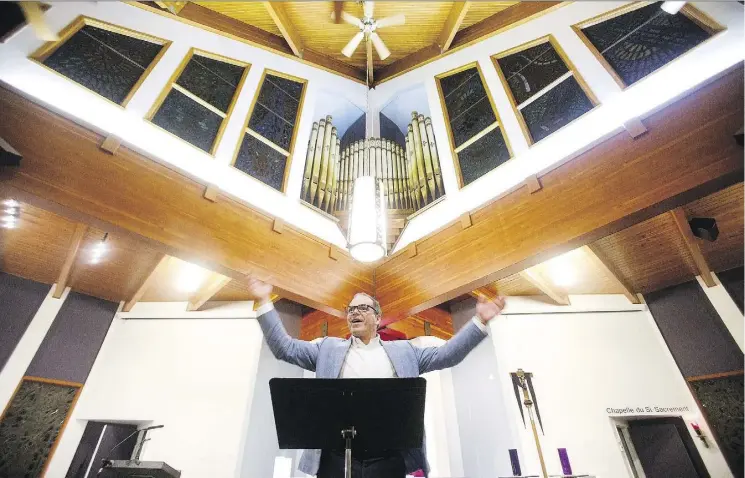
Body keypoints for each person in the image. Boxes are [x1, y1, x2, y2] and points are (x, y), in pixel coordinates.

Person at [247, 277, 505, 478]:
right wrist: (264, 301)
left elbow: (448, 355)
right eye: (350, 309)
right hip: (334, 460)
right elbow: (284, 347)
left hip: (387, 460)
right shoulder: (327, 349)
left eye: (362, 308)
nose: (354, 312)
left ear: (378, 318)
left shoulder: (405, 351)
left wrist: (479, 321)